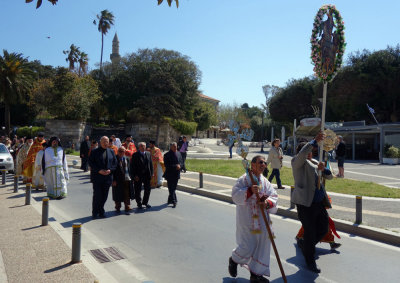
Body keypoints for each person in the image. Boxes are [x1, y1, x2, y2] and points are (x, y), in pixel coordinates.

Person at [228, 155, 278, 283]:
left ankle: (256, 274)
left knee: (263, 245)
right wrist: (249, 191)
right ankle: (234, 260)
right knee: (247, 246)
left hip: (262, 220)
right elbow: (235, 195)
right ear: (253, 165)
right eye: (261, 162)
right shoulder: (243, 180)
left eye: (265, 163)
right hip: (247, 220)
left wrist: (266, 203)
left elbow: (273, 196)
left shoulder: (265, 181)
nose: (264, 165)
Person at [291, 132, 333, 273]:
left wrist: (324, 169)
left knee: (323, 228)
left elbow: (330, 176)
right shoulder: (296, 162)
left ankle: (305, 245)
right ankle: (310, 260)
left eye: (311, 152)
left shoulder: (316, 162)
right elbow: (303, 155)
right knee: (310, 231)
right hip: (305, 204)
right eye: (308, 151)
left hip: (319, 203)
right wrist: (313, 141)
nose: (310, 154)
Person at [89, 136, 117, 219]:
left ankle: (101, 211)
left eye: (107, 141)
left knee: (104, 196)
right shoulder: (94, 151)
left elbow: (115, 164)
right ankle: (95, 212)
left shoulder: (111, 151)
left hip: (107, 178)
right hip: (97, 177)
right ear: (100, 142)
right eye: (104, 141)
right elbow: (91, 163)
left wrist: (110, 170)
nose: (105, 143)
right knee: (97, 195)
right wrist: (99, 170)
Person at [130, 142, 153, 209]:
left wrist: (152, 173)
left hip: (147, 175)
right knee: (137, 190)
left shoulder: (148, 154)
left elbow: (150, 164)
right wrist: (134, 176)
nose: (143, 147)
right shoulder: (135, 155)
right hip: (138, 175)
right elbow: (132, 166)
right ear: (139, 147)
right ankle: (139, 203)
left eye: (144, 146)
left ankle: (145, 202)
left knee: (148, 189)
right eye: (141, 146)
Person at [112, 146, 134, 215]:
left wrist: (131, 178)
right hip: (117, 179)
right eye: (120, 151)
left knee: (127, 193)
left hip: (126, 178)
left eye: (123, 151)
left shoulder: (127, 158)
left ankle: (127, 206)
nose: (122, 153)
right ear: (118, 151)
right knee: (117, 193)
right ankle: (118, 206)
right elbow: (112, 170)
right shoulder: (114, 159)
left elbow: (130, 169)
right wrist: (113, 180)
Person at [163, 142, 183, 207]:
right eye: (174, 146)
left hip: (177, 174)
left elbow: (181, 162)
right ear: (171, 147)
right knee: (171, 188)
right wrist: (175, 166)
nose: (175, 147)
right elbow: (166, 165)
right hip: (170, 174)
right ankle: (174, 201)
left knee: (173, 188)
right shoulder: (167, 155)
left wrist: (180, 166)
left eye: (176, 146)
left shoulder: (179, 153)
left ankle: (169, 199)